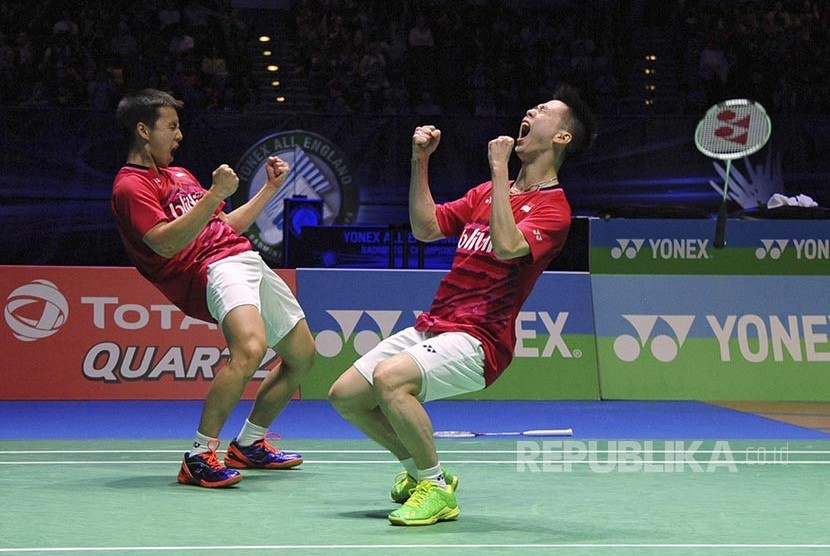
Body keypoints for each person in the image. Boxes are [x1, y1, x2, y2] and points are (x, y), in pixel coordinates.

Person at [328, 85, 596, 525]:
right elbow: (425, 227)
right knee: (347, 397)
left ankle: (434, 488)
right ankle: (422, 471)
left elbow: (509, 247)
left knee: (390, 380)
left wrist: (497, 167)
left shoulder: (554, 210)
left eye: (544, 110)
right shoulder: (484, 193)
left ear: (562, 138)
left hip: (480, 340)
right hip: (437, 324)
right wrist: (420, 162)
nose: (531, 109)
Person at [111, 88, 315, 488]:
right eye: (171, 126)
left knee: (302, 355)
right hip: (211, 269)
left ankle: (250, 443)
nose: (179, 135)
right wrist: (214, 195)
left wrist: (269, 190)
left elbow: (224, 227)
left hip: (244, 258)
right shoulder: (130, 187)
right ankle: (199, 455)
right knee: (250, 349)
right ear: (143, 130)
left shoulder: (180, 175)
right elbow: (166, 242)